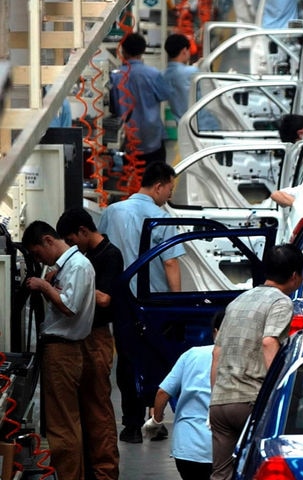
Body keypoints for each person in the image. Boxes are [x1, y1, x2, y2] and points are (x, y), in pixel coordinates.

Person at [99, 161, 185, 442]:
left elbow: (101, 250)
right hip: (154, 304)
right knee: (157, 359)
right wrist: (176, 304)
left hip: (122, 300)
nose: (168, 197)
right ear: (158, 186)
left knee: (126, 361)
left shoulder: (112, 211)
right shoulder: (162, 218)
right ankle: (155, 422)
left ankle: (131, 425)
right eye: (169, 190)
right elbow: (171, 263)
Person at [209, 244, 303, 480]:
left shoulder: (238, 301)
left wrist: (215, 397)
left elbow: (217, 353)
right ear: (294, 276)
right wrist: (280, 390)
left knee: (221, 474)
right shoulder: (281, 302)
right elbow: (269, 342)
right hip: (251, 401)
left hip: (220, 403)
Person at [22, 221, 96, 480]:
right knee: (65, 421)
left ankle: (69, 476)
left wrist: (43, 286)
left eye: (38, 253)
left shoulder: (76, 266)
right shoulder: (68, 266)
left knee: (62, 425)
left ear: (47, 241)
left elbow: (69, 307)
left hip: (63, 352)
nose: (38, 259)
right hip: (62, 350)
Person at [56, 207, 122, 476]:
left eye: (71, 240)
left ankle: (105, 472)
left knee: (98, 409)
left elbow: (105, 298)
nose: (70, 247)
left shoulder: (109, 255)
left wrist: (74, 287)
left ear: (84, 231)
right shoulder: (83, 256)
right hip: (80, 336)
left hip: (97, 337)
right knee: (82, 409)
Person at [143, 311, 225, 480]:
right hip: (224, 449)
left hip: (187, 448)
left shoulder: (191, 354)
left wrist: (156, 421)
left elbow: (163, 392)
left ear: (215, 332)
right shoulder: (248, 359)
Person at [111, 32, 173, 166]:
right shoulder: (153, 74)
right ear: (143, 50)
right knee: (156, 178)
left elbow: (112, 107)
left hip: (127, 139)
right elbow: (165, 94)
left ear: (123, 51)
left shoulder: (115, 77)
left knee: (132, 180)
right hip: (152, 137)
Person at [164, 33, 219, 132]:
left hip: (184, 129)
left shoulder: (165, 75)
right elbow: (214, 86)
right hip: (204, 127)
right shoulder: (192, 72)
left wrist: (195, 66)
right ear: (184, 51)